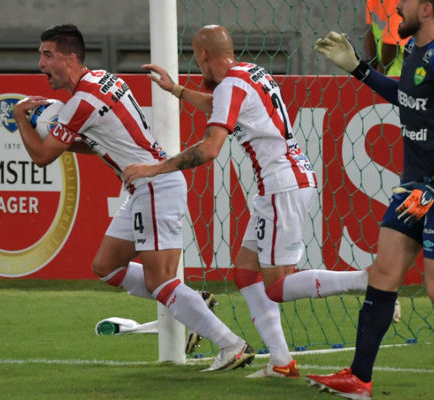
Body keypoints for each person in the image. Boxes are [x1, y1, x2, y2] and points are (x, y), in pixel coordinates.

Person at [123, 24, 370, 379]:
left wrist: (155, 168)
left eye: (196, 58)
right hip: (284, 181)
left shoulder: (231, 84)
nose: (198, 65)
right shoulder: (250, 73)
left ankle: (366, 280)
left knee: (278, 285)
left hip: (281, 186)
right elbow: (216, 104)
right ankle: (282, 362)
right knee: (245, 271)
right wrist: (175, 89)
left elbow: (209, 149)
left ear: (204, 55)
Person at [12, 24, 254, 372]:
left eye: (47, 55)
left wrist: (21, 115)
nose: (41, 64)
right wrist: (62, 138)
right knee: (106, 266)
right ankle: (193, 302)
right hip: (145, 186)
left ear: (70, 57)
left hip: (154, 185)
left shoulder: (81, 102)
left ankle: (233, 346)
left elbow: (42, 156)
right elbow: (97, 145)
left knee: (160, 281)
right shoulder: (101, 80)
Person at [310, 1, 434, 399]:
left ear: (424, 9)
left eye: (404, 2)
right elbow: (406, 97)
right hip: (415, 185)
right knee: (383, 273)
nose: (396, 7)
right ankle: (359, 378)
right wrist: (360, 69)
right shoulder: (414, 51)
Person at [365, 0, 410, 76]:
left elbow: (370, 30)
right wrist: (380, 70)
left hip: (392, 72)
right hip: (395, 73)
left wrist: (374, 65)